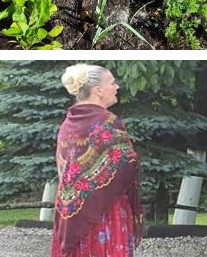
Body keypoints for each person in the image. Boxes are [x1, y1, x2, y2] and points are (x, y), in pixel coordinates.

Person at [52, 65, 142, 257]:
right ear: (98, 90)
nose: (116, 86)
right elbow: (126, 166)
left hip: (73, 214)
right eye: (111, 83)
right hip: (105, 212)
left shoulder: (68, 123)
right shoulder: (107, 121)